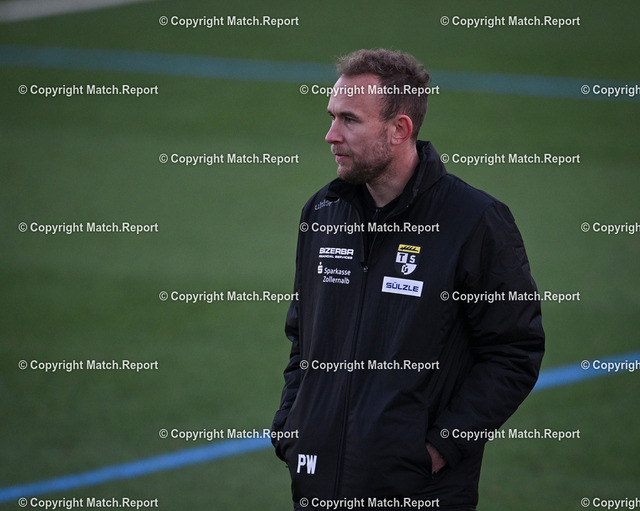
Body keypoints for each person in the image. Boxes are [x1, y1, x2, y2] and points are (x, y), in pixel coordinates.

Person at [271, 48, 545, 511]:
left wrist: (439, 447)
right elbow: (304, 337)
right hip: (318, 484)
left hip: (418, 491)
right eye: (332, 117)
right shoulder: (321, 212)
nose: (331, 135)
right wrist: (292, 426)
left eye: (350, 120)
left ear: (399, 129)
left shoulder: (474, 221)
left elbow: (514, 352)